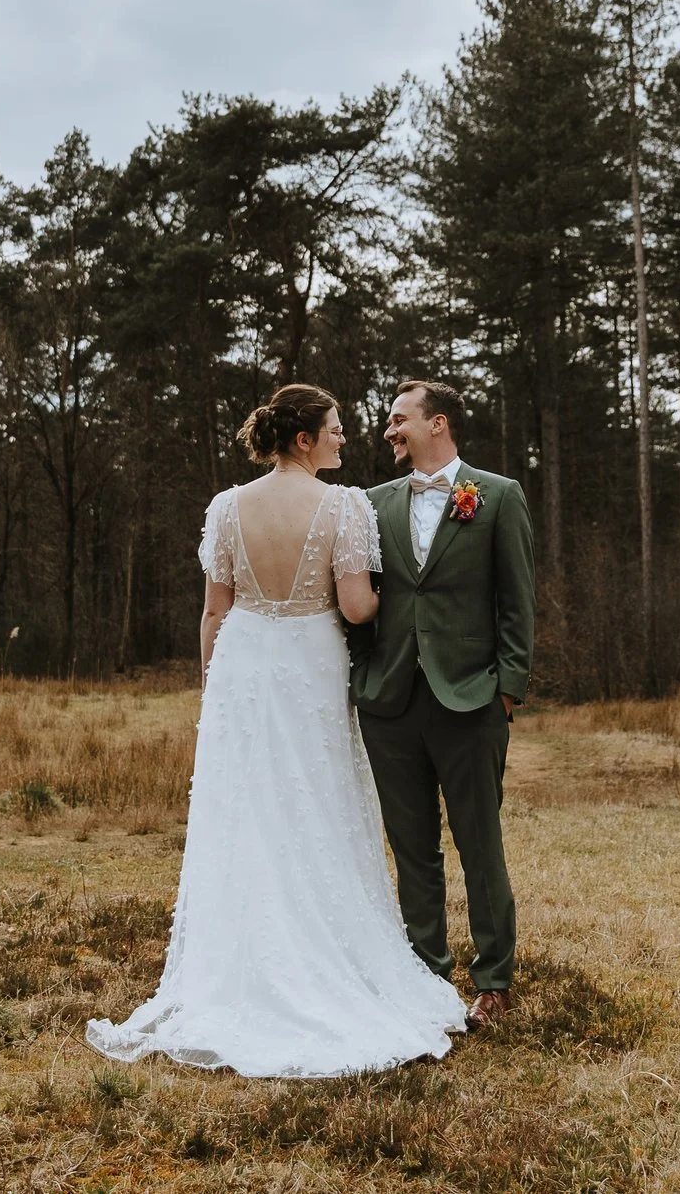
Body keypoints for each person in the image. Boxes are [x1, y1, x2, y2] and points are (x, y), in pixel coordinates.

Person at [86, 383, 468, 1078]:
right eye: (336, 427)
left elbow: (214, 611)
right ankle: (317, 957)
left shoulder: (226, 507)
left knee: (246, 809)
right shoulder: (344, 506)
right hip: (310, 662)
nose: (344, 437)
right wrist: (402, 596)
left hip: (241, 663)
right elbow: (356, 606)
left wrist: (215, 687)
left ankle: (241, 962)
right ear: (304, 439)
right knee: (313, 801)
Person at [354, 379, 533, 1028]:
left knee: (480, 843)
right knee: (412, 848)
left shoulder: (497, 496)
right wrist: (363, 677)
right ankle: (426, 975)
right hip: (390, 701)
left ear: (438, 423)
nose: (388, 430)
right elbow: (358, 598)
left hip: (472, 699)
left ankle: (494, 981)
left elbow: (517, 601)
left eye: (399, 418)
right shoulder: (371, 503)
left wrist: (506, 690)